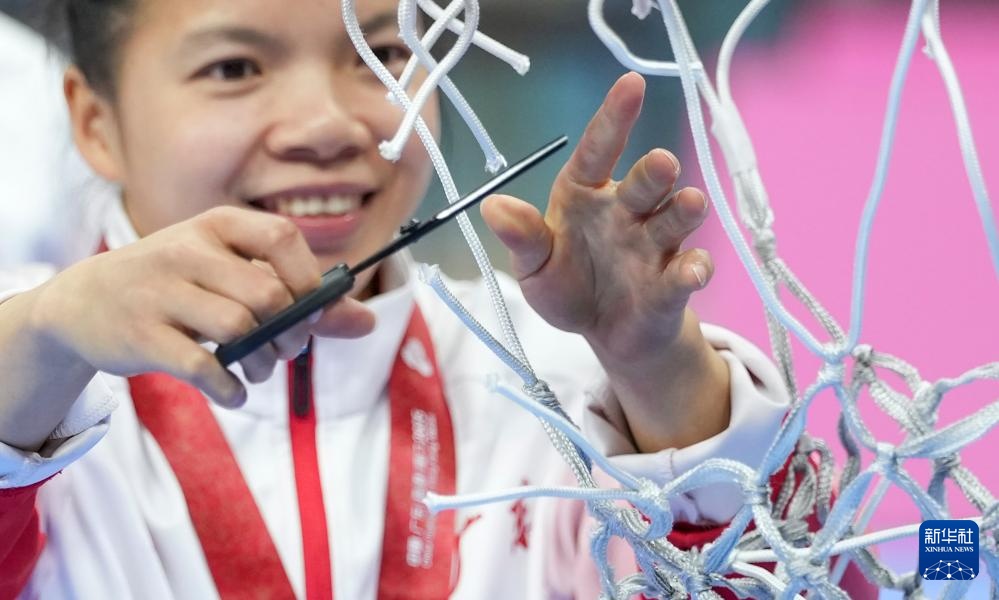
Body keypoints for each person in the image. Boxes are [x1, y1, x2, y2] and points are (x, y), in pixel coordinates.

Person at [0, 0, 867, 598]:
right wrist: (39, 338)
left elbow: (818, 582)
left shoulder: (559, 382)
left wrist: (658, 372)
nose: (327, 124)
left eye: (381, 54)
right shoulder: (31, 367)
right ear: (94, 121)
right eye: (235, 67)